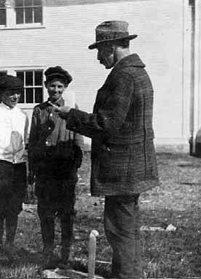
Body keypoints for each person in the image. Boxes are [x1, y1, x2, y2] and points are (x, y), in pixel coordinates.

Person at [51, 21, 160, 278]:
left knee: (119, 228)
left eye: (100, 51)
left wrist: (71, 114)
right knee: (127, 227)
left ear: (110, 47)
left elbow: (105, 124)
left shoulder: (124, 76)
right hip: (133, 166)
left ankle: (127, 276)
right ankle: (128, 273)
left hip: (122, 169)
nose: (99, 58)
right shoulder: (137, 72)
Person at [27, 66, 83, 269]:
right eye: (52, 86)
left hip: (65, 170)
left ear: (65, 87)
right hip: (45, 171)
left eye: (60, 86)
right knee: (46, 213)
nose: (56, 90)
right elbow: (33, 141)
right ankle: (48, 252)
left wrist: (75, 164)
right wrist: (32, 169)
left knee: (67, 213)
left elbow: (78, 140)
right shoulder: (39, 110)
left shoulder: (71, 109)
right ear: (45, 86)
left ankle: (66, 254)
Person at [0, 75, 29, 253]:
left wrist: (26, 167)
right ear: (2, 93)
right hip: (1, 165)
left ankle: (9, 243)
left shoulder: (22, 115)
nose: (15, 97)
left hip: (18, 167)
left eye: (18, 93)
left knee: (14, 207)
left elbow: (24, 143)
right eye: (11, 93)